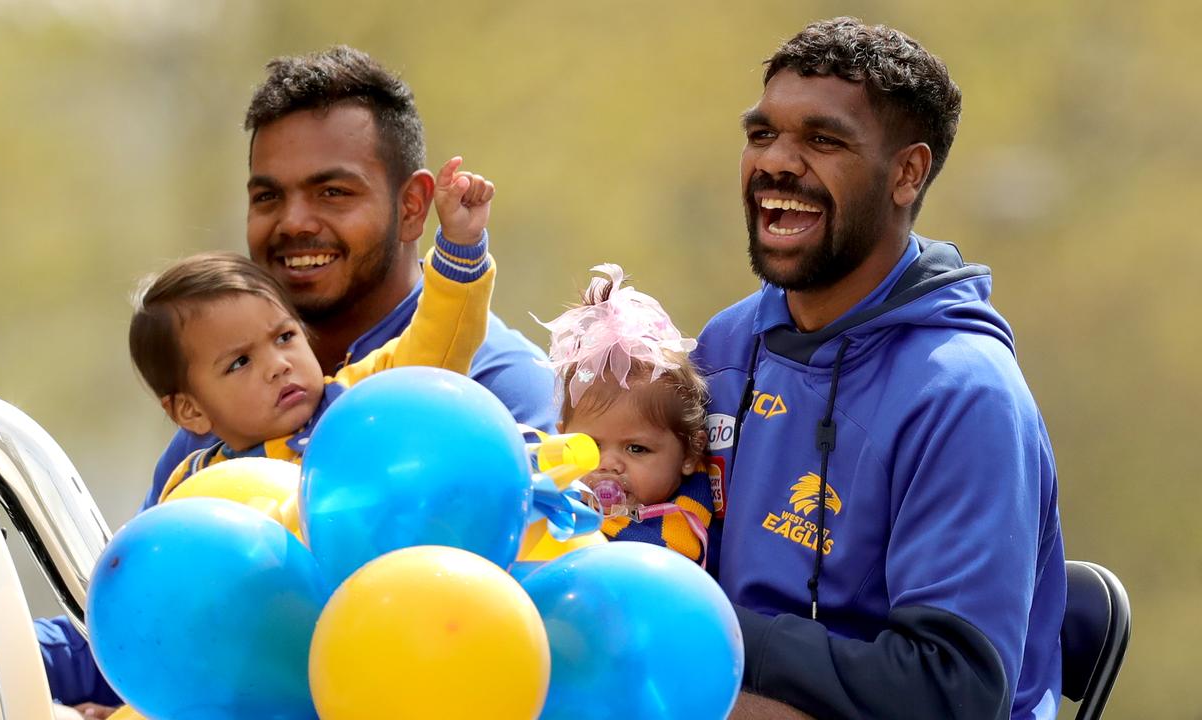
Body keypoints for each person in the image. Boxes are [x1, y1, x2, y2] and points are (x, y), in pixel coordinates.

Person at [39, 46, 557, 708]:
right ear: (187, 408)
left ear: (412, 207)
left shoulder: (482, 391)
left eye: (332, 192)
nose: (294, 222)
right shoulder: (211, 439)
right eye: (267, 197)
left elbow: (506, 642)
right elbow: (151, 627)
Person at [694, 17, 1066, 720]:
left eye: (823, 140)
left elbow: (949, 690)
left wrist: (706, 624)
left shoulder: (964, 395)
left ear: (907, 172)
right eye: (762, 133)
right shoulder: (726, 345)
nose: (776, 163)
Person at [136, 156, 494, 491]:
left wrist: (461, 245)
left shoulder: (358, 401)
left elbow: (437, 341)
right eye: (240, 362)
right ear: (192, 410)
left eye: (285, 336)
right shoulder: (194, 486)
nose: (279, 365)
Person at [536, 263, 713, 564]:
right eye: (590, 446)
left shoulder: (680, 523)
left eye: (636, 448)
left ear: (690, 453)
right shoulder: (553, 512)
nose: (608, 465)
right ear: (562, 437)